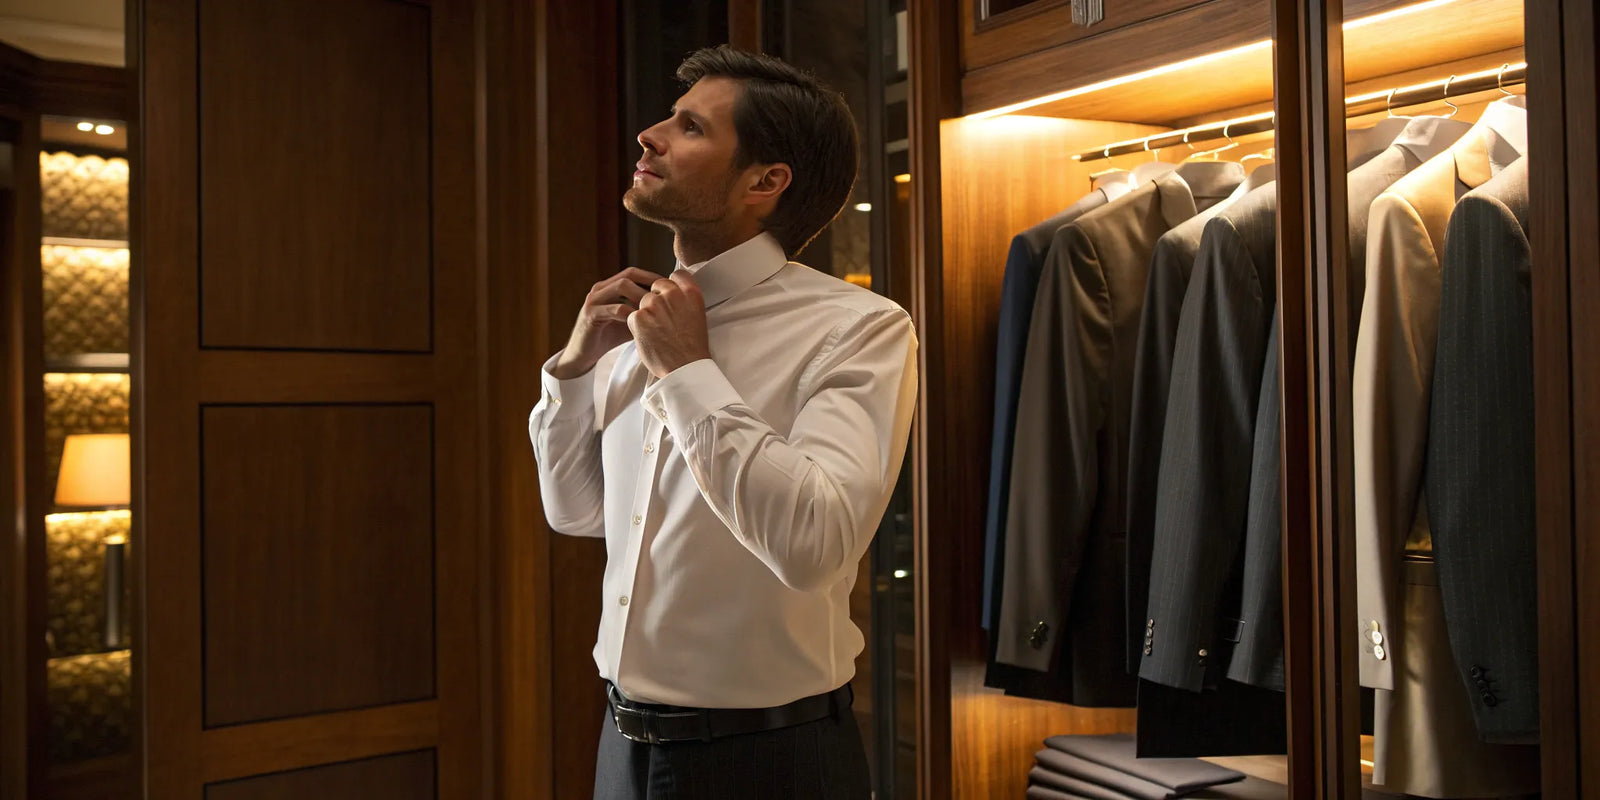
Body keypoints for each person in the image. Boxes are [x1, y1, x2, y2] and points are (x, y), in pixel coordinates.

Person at [528, 45, 919, 799]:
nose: (649, 135)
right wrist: (575, 369)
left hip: (770, 761)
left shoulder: (860, 328)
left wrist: (688, 373)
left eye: (690, 128)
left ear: (766, 182)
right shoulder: (641, 324)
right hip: (621, 746)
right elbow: (576, 514)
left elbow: (814, 544)